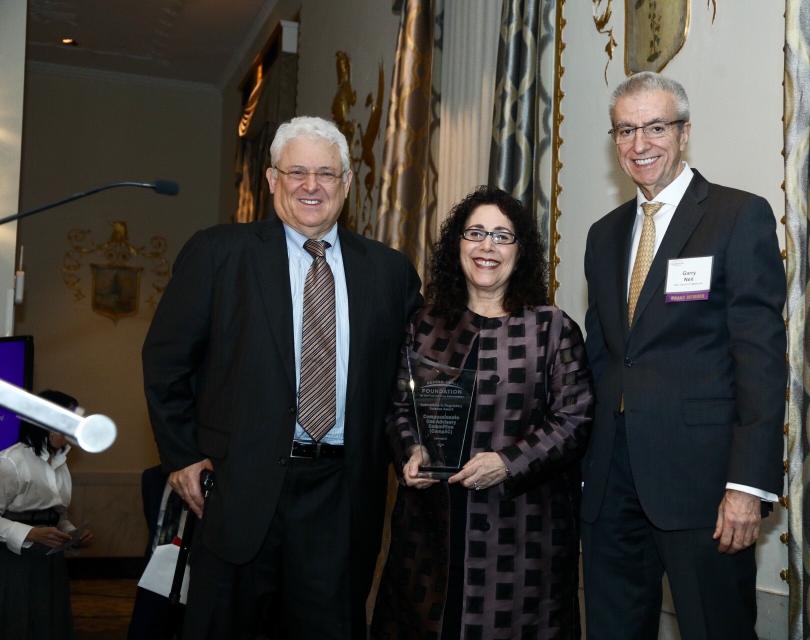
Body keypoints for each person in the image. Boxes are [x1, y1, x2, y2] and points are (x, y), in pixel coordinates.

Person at [142, 116, 421, 639]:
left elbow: (415, 375)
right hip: (237, 489)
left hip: (343, 496)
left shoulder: (390, 272)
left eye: (325, 173)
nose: (311, 186)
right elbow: (165, 360)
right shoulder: (218, 254)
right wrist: (179, 453)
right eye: (297, 172)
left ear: (347, 183)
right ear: (272, 180)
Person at [581, 72, 787, 639]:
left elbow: (761, 360)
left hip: (703, 486)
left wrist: (747, 484)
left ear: (685, 132)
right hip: (611, 485)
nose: (640, 144)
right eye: (626, 130)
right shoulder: (603, 235)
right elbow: (603, 360)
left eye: (655, 127)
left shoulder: (737, 217)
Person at [370, 186, 593, 639]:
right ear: (458, 245)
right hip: (430, 533)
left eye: (501, 236)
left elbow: (575, 418)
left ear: (520, 251)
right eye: (475, 233)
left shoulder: (550, 328)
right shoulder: (424, 325)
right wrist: (409, 451)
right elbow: (398, 406)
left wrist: (507, 463)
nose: (486, 246)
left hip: (522, 537)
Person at [0, 389, 94, 640]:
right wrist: (30, 533)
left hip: (50, 561)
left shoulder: (61, 465)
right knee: (18, 620)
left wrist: (72, 533)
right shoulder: (10, 462)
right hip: (14, 560)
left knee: (49, 621)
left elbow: (56, 515)